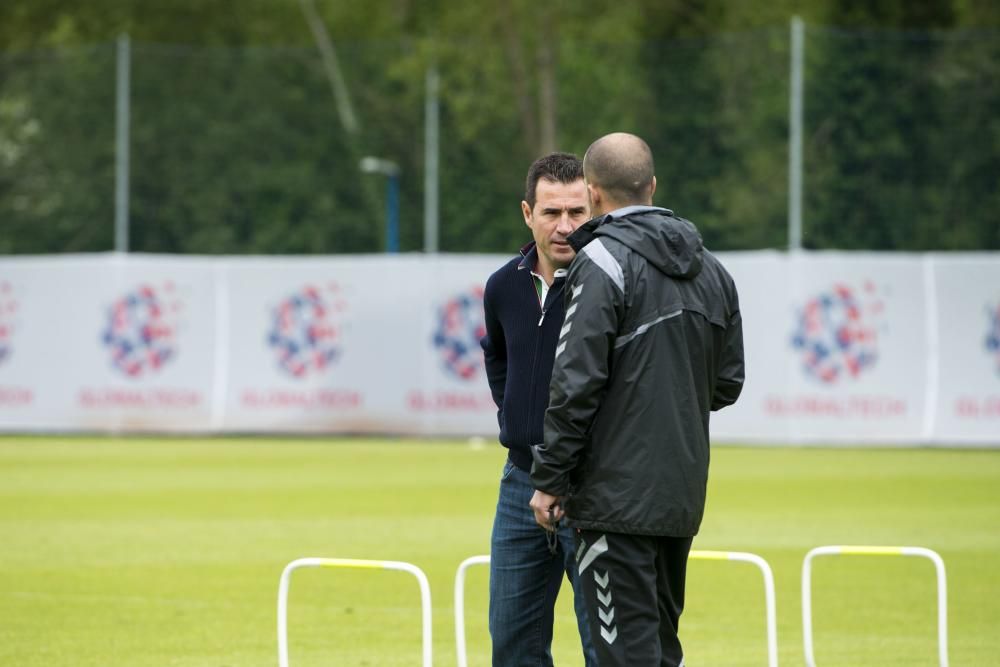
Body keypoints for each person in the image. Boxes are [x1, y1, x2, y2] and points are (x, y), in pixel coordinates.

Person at [529, 132, 745, 666]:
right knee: (658, 653)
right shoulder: (715, 271)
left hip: (612, 501)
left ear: (594, 194)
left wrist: (551, 477)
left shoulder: (599, 262)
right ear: (653, 186)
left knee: (622, 656)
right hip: (679, 497)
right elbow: (728, 384)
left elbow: (575, 383)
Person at [481, 152, 598, 666]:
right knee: (512, 647)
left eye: (577, 212)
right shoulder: (503, 286)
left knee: (607, 649)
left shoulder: (608, 288)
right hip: (520, 483)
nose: (565, 227)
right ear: (527, 213)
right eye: (552, 213)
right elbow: (498, 358)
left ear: (594, 209)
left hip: (591, 488)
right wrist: (517, 424)